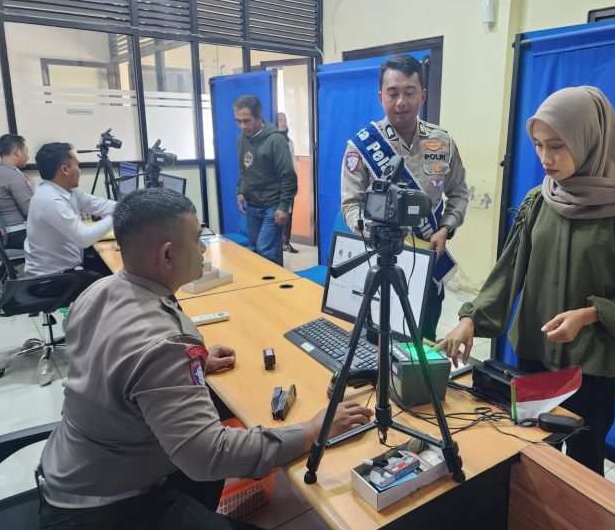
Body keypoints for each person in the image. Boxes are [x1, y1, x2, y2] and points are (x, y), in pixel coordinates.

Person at [38, 188, 373, 530]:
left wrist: (188, 366)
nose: (202, 249)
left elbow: (120, 367)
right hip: (111, 510)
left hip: (76, 471)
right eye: (197, 239)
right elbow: (209, 456)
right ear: (167, 255)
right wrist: (311, 430)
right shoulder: (165, 344)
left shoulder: (96, 292)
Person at [435, 86, 615, 475]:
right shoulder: (539, 202)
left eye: (557, 146)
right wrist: (471, 319)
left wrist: (590, 315)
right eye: (538, 145)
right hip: (536, 353)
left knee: (582, 466)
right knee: (531, 453)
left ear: (589, 141)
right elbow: (508, 270)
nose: (545, 158)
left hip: (592, 365)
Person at [340, 54, 469, 341]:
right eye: (392, 93)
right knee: (377, 344)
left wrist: (445, 229)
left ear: (422, 95)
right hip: (380, 264)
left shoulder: (443, 142)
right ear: (380, 97)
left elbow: (459, 194)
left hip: (428, 264)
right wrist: (376, 232)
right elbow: (351, 206)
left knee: (421, 342)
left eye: (409, 92)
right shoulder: (362, 146)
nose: (401, 102)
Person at [25, 142, 116, 299]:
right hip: (49, 279)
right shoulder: (50, 200)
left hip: (65, 269)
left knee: (108, 269)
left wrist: (128, 204)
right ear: (65, 170)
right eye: (77, 166)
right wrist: (118, 215)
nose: (79, 171)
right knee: (111, 285)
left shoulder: (67, 191)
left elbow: (96, 204)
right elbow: (84, 238)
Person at [234, 96, 298, 266]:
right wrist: (240, 190)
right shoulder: (242, 139)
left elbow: (289, 176)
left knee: (266, 252)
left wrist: (284, 207)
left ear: (258, 117)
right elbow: (243, 169)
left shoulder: (275, 140)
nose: (242, 126)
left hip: (273, 205)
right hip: (253, 205)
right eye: (238, 121)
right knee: (254, 251)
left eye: (246, 121)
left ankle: (277, 283)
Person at [0, 134, 33, 249]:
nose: (28, 157)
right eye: (26, 152)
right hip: (20, 234)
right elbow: (31, 211)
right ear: (17, 151)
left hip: (8, 234)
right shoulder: (14, 176)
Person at [277, 112, 299, 254]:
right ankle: (279, 243)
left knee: (289, 214)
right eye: (280, 120)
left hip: (289, 184)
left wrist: (295, 183)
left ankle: (286, 242)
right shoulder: (274, 140)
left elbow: (293, 165)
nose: (283, 122)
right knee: (279, 213)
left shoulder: (290, 142)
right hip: (278, 186)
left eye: (284, 119)